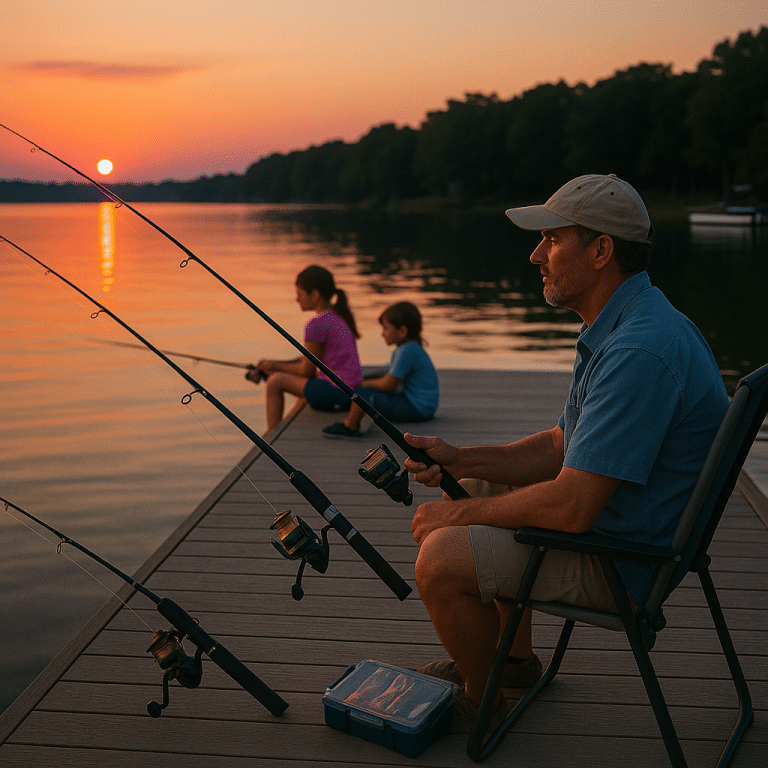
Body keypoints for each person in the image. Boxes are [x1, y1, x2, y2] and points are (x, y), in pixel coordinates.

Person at [402, 173, 729, 733]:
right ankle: (515, 665)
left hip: (624, 561)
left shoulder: (638, 351)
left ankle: (484, 699)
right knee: (475, 488)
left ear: (602, 250)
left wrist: (453, 517)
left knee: (439, 558)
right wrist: (461, 461)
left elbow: (572, 507)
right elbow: (560, 445)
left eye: (553, 240)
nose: (536, 255)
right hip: (624, 528)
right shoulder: (630, 320)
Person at [247, 265, 363, 431]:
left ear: (314, 294)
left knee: (275, 382)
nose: (297, 299)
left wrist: (274, 368)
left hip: (336, 392)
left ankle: (270, 437)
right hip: (352, 392)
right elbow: (309, 360)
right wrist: (273, 363)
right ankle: (282, 428)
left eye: (300, 294)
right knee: (301, 391)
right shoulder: (339, 315)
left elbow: (306, 371)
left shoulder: (315, 324)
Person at [322, 301, 439, 439]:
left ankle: (350, 426)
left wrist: (364, 385)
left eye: (385, 329)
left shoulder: (407, 351)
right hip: (423, 407)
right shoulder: (410, 348)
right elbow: (390, 374)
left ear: (402, 331)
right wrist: (365, 380)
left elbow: (389, 384)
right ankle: (353, 413)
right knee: (366, 384)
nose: (382, 334)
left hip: (418, 409)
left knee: (363, 394)